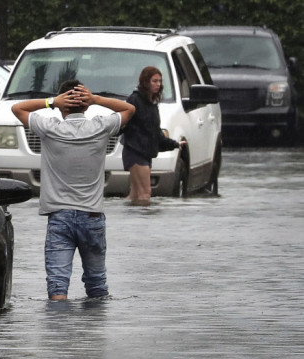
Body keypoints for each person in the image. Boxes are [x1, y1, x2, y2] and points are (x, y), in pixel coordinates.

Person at [11, 80, 135, 301]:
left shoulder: (49, 128)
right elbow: (129, 109)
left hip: (59, 217)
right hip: (92, 216)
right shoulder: (101, 126)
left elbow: (17, 108)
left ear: (61, 105)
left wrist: (51, 102)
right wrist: (96, 98)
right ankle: (95, 333)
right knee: (97, 283)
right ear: (86, 106)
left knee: (57, 285)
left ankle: (59, 333)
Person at [122, 66, 186, 205]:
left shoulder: (151, 104)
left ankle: (130, 222)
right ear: (146, 82)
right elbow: (123, 123)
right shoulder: (134, 100)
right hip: (135, 151)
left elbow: (155, 133)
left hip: (145, 153)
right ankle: (143, 224)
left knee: (135, 194)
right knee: (145, 194)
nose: (158, 84)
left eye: (159, 81)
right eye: (154, 81)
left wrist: (174, 144)